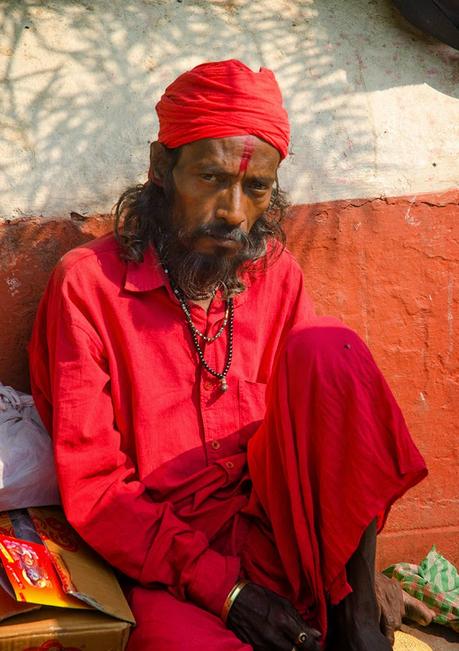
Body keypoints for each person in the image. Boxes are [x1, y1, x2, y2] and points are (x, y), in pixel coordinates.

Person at [29, 60, 434, 650]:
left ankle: (354, 611)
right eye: (212, 179)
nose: (234, 213)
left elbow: (334, 436)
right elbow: (97, 490)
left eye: (255, 188)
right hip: (170, 560)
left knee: (330, 348)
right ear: (160, 168)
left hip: (281, 533)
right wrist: (230, 593)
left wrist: (355, 576)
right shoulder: (86, 288)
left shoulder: (276, 274)